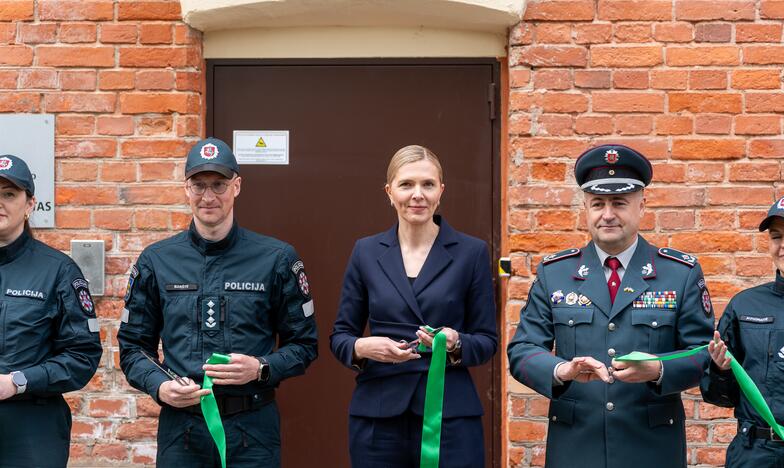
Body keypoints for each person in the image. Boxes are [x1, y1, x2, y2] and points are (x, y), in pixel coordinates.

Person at [507, 144, 715, 468]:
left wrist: (659, 369)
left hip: (651, 450)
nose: (607, 214)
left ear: (642, 205)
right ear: (585, 208)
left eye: (619, 203)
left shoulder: (680, 273)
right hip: (575, 448)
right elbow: (522, 349)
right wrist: (561, 370)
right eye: (597, 204)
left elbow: (703, 353)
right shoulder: (555, 272)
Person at [117, 138, 318, 467]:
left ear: (236, 186)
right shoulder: (156, 260)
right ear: (186, 188)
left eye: (219, 185)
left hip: (253, 430)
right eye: (198, 186)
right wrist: (161, 386)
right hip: (182, 431)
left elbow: (305, 345)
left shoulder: (277, 258)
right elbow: (133, 346)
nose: (208, 197)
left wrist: (260, 367)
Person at [330, 144, 498, 467]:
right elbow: (340, 337)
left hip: (450, 415)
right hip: (379, 416)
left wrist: (456, 341)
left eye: (428, 184)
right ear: (389, 192)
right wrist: (365, 347)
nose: (417, 194)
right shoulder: (365, 252)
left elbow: (487, 340)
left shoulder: (471, 253)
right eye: (407, 184)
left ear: (441, 191)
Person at [702, 193, 784, 468]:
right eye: (776, 236)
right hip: (753, 457)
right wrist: (720, 370)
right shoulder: (743, 306)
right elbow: (718, 396)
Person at [0, 154, 102, 467]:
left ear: (30, 205)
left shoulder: (58, 271)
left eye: (9, 194)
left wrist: (18, 380)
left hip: (31, 426)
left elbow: (83, 356)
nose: (0, 203)